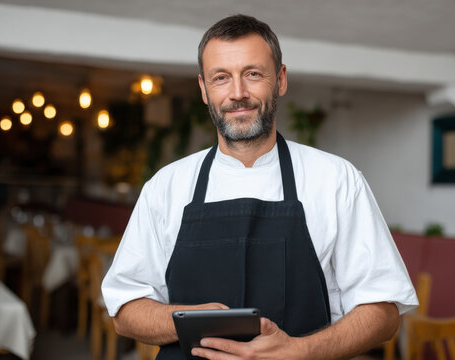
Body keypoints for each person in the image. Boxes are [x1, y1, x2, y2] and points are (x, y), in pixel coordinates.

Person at [102, 14, 418, 360]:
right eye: (221, 78)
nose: (238, 94)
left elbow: (384, 313)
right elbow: (125, 310)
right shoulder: (165, 186)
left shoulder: (337, 180)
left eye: (253, 74)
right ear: (204, 90)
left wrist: (300, 351)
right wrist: (194, 321)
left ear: (280, 80)